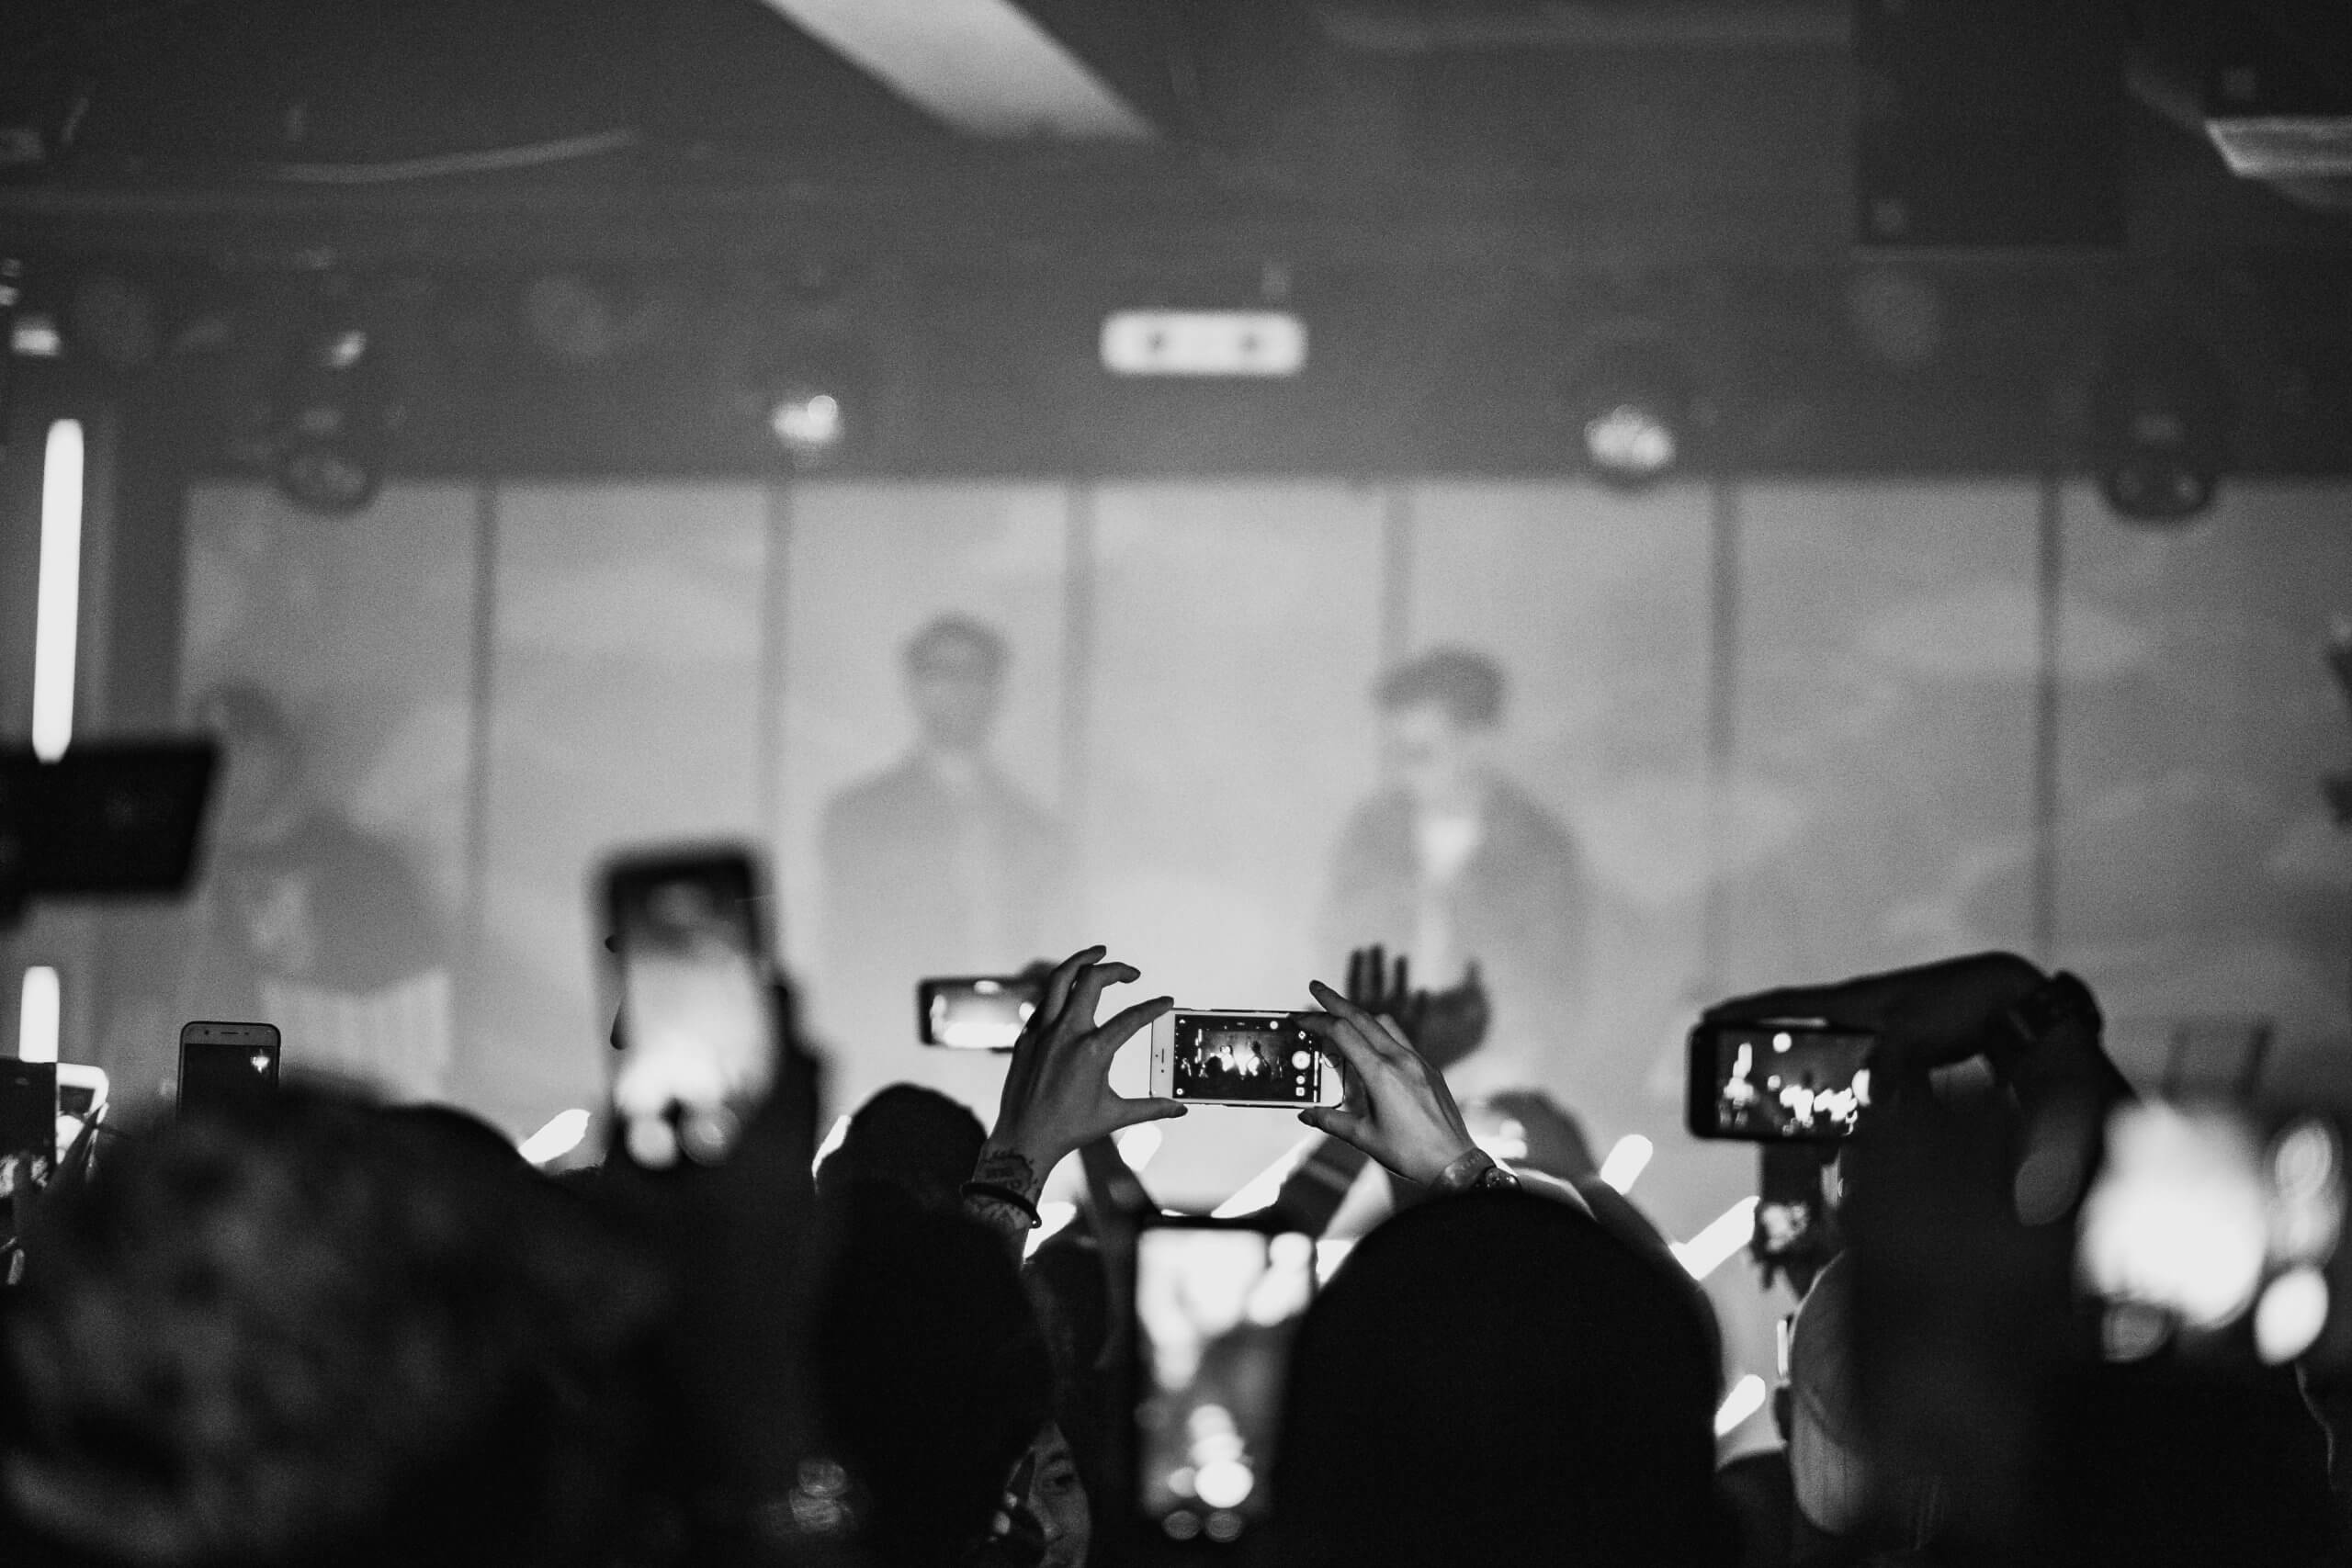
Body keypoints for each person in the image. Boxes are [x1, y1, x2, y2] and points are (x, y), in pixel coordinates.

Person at [1320, 648, 1587, 1100]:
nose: (1404, 768)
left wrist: (1498, 1071)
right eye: (1397, 751)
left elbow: (1550, 982)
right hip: (1374, 1070)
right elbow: (1332, 946)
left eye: (1422, 751)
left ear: (1479, 742)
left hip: (1493, 1083)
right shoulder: (1372, 834)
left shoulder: (1538, 851)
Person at [819, 617, 1063, 1105]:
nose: (954, 690)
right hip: (897, 1053)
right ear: (914, 686)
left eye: (970, 674)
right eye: (939, 672)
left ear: (995, 689)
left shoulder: (1033, 827)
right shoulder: (860, 816)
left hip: (1012, 1057)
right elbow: (847, 947)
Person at [174, 683, 451, 1100]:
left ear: (280, 752)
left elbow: (412, 996)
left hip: (355, 1103)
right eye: (210, 753)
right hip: (231, 1108)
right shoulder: (186, 875)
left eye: (245, 747)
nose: (229, 769)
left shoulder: (367, 866)